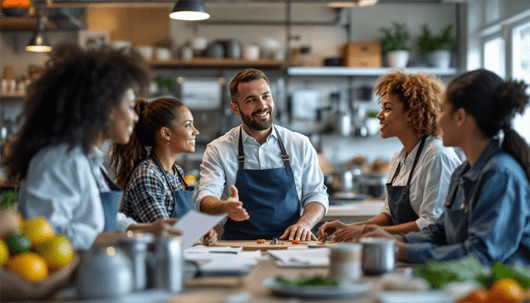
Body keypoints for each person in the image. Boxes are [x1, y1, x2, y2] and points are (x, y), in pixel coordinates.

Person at [3, 43, 181, 251]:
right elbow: (50, 234)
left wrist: (147, 229)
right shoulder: (59, 160)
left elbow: (102, 218)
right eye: (130, 107)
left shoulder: (89, 158)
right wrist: (130, 239)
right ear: (105, 109)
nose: (135, 116)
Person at [361, 69, 530, 266]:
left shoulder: (501, 174)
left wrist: (403, 251)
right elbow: (440, 232)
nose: (436, 118)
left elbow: (481, 255)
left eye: (441, 110)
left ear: (460, 117)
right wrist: (396, 241)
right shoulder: (463, 171)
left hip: (505, 290)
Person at [318, 71, 461, 242]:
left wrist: (365, 232)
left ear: (411, 113)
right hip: (405, 249)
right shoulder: (399, 158)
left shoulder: (437, 156)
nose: (379, 115)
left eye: (387, 109)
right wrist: (351, 228)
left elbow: (430, 224)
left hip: (432, 255)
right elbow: (388, 215)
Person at [193, 68, 329, 241]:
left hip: (291, 243)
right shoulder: (219, 149)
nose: (262, 105)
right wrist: (224, 207)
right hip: (239, 245)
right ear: (235, 108)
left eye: (266, 96)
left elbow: (316, 194)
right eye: (251, 100)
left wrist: (305, 224)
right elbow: (205, 196)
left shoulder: (299, 144)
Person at [109, 97, 217, 245]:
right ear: (166, 134)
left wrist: (205, 232)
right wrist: (197, 234)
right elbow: (166, 234)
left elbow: (184, 227)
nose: (196, 131)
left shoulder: (176, 172)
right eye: (188, 125)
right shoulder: (147, 175)